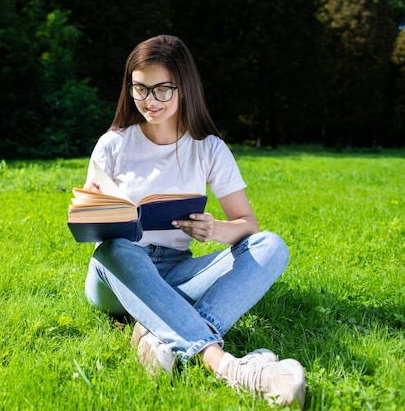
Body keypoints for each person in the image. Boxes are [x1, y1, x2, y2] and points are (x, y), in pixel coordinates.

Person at [82, 35, 306, 408]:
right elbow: (92, 227)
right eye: (139, 88)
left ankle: (155, 332)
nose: (148, 101)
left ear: (184, 87)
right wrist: (97, 210)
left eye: (161, 90)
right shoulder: (113, 144)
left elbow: (247, 224)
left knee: (272, 246)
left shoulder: (208, 148)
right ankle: (229, 368)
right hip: (117, 274)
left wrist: (215, 229)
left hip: (177, 270)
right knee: (117, 247)